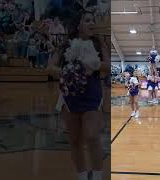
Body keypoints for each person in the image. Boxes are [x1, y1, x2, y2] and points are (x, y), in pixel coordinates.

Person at [51, 10, 110, 180]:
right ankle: (82, 176)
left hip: (92, 94)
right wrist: (68, 71)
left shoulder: (99, 44)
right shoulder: (65, 45)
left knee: (92, 136)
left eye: (94, 20)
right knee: (75, 140)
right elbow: (50, 67)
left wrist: (93, 64)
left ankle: (97, 176)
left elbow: (107, 66)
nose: (92, 23)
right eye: (88, 20)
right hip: (69, 97)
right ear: (78, 24)